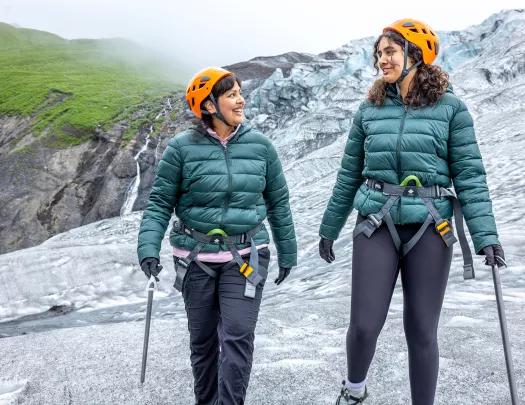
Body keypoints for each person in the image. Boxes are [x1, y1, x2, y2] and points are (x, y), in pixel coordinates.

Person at [318, 19, 506, 405]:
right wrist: (328, 228)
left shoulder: (451, 110)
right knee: (364, 325)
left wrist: (486, 236)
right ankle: (354, 392)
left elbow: (470, 176)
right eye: (378, 53)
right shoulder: (368, 110)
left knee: (421, 331)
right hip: (376, 223)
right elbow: (347, 175)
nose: (381, 60)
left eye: (389, 51)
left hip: (430, 226)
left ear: (415, 55)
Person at [137, 67, 297, 405]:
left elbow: (278, 202)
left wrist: (288, 252)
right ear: (209, 106)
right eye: (231, 95)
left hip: (247, 256)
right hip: (196, 259)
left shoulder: (261, 146)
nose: (241, 100)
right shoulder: (181, 149)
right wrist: (148, 249)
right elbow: (159, 204)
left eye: (240, 92)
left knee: (238, 337)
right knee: (203, 341)